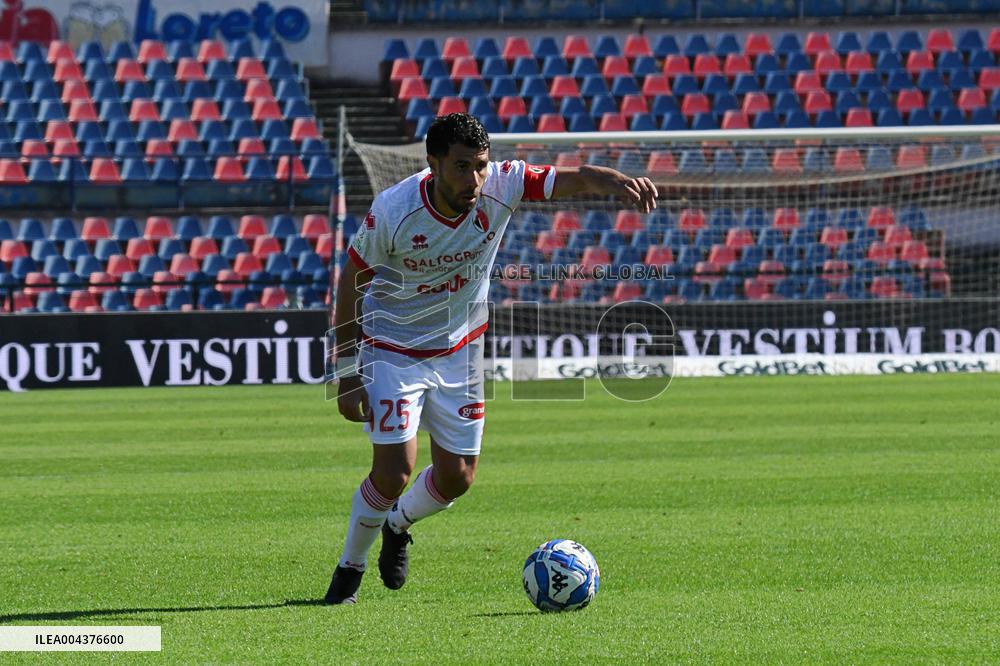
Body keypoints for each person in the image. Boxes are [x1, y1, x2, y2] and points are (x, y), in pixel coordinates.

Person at [324, 113, 658, 604]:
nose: (474, 180)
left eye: (480, 166)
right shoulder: (394, 210)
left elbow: (573, 179)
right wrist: (348, 371)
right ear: (433, 164)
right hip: (393, 346)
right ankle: (347, 574)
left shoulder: (503, 183)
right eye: (461, 167)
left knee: (458, 477)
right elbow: (350, 283)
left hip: (459, 348)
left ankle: (398, 525)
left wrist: (611, 180)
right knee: (394, 471)